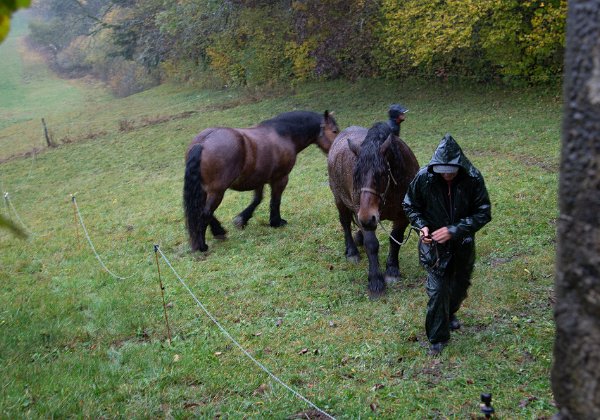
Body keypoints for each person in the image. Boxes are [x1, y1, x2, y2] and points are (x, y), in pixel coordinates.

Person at [402, 134, 491, 356]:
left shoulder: (473, 178)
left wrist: (454, 230)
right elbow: (410, 205)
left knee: (459, 287)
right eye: (443, 172)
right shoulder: (424, 178)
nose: (447, 176)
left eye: (451, 171)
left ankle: (449, 313)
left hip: (462, 244)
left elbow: (484, 212)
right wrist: (422, 226)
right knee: (438, 290)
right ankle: (437, 338)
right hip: (434, 249)